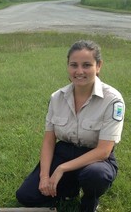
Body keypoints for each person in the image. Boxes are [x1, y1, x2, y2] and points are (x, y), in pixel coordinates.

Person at [16, 40, 125, 212]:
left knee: (95, 176)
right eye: (74, 65)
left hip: (95, 158)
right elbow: (49, 141)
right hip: (64, 152)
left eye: (87, 65)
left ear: (98, 66)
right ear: (68, 66)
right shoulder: (57, 98)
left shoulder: (113, 100)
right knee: (26, 196)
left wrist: (61, 169)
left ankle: (90, 199)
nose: (79, 71)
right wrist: (44, 176)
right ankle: (69, 188)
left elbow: (103, 151)